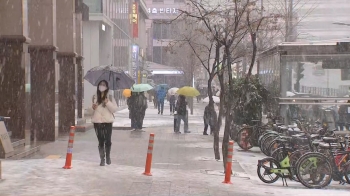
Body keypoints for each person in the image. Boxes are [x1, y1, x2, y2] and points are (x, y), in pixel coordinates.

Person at [92, 80, 118, 166]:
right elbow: (89, 110)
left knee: (108, 140)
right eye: (100, 84)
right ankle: (102, 159)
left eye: (104, 85)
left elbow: (114, 109)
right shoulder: (94, 97)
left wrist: (107, 102)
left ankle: (108, 157)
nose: (101, 86)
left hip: (107, 122)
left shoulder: (110, 97)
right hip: (97, 122)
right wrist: (92, 107)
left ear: (107, 87)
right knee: (100, 141)